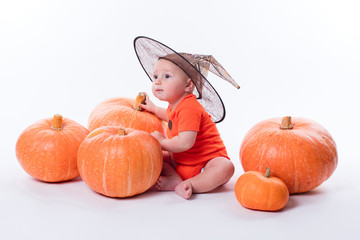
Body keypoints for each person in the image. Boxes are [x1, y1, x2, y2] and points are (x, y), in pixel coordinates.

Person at [133, 36, 240, 199]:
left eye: (166, 76)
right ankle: (176, 179)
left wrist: (161, 142)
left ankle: (191, 184)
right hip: (181, 162)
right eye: (155, 77)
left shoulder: (190, 107)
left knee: (225, 167)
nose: (158, 82)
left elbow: (185, 142)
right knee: (154, 157)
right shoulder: (175, 105)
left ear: (188, 85)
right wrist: (154, 109)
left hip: (206, 164)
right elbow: (170, 117)